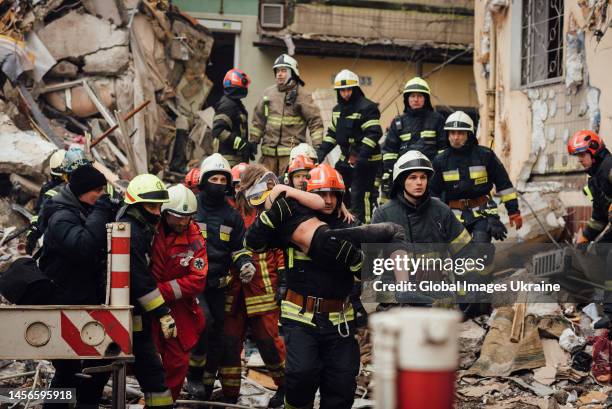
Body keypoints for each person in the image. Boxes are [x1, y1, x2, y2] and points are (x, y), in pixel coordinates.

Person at [243, 163, 403, 409]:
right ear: (310, 195)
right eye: (322, 194)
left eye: (333, 194)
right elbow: (254, 241)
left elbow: (369, 273)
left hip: (339, 321)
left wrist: (356, 263)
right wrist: (272, 214)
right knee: (300, 378)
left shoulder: (351, 224)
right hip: (300, 319)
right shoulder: (295, 220)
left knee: (341, 385)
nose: (328, 200)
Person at [39, 164, 115, 408]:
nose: (102, 195)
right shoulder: (62, 216)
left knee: (97, 364)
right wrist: (101, 211)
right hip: (63, 301)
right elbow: (84, 247)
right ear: (82, 191)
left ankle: (86, 404)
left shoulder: (81, 210)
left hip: (82, 299)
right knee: (68, 369)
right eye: (97, 190)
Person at [186, 153, 255, 400]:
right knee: (203, 324)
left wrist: (245, 263)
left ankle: (204, 386)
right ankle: (193, 376)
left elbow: (238, 248)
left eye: (222, 178)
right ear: (203, 181)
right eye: (213, 178)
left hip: (218, 286)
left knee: (217, 335)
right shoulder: (191, 207)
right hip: (193, 284)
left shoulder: (232, 215)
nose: (218, 183)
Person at [220, 164, 287, 406]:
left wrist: (283, 279)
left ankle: (286, 389)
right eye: (237, 185)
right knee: (229, 342)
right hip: (233, 286)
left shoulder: (268, 207)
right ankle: (229, 394)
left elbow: (280, 246)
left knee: (269, 341)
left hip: (262, 285)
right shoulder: (228, 210)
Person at [371, 150, 475, 305]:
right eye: (412, 177)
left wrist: (466, 290)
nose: (419, 182)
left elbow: (465, 253)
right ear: (401, 181)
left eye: (423, 177)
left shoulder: (441, 210)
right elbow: (370, 263)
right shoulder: (384, 215)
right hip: (397, 302)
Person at [117, 174, 176, 408]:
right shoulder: (130, 233)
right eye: (152, 206)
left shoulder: (139, 227)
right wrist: (163, 312)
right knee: (149, 368)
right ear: (136, 205)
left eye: (160, 206)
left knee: (149, 367)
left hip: (133, 311)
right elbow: (140, 279)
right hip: (124, 310)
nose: (157, 212)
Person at [150, 184, 208, 401]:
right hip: (144, 305)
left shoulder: (194, 239)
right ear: (164, 213)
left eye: (188, 217)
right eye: (177, 217)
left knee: (177, 362)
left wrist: (158, 291)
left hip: (178, 309)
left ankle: (166, 403)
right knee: (144, 358)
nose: (183, 222)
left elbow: (198, 280)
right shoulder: (149, 231)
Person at [430, 111, 522, 245]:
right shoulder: (440, 161)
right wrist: (435, 219)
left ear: (469, 134)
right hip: (453, 216)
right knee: (460, 256)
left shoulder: (485, 155)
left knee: (481, 250)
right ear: (447, 135)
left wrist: (513, 211)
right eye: (452, 133)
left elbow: (504, 184)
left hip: (483, 213)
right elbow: (432, 193)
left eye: (460, 133)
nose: (456, 137)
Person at [317, 69, 382, 223]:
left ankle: (365, 230)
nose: (345, 93)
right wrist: (320, 154)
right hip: (346, 159)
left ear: (356, 89)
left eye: (348, 90)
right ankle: (342, 225)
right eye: (342, 90)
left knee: (361, 196)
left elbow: (373, 133)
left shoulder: (368, 107)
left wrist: (361, 157)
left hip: (368, 160)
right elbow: (333, 135)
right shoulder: (337, 111)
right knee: (338, 190)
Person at [250, 54, 324, 175]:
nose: (279, 74)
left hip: (291, 157)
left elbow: (315, 122)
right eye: (277, 71)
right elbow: (258, 120)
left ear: (293, 72)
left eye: (284, 71)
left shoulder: (302, 95)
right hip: (268, 157)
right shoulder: (268, 93)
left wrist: (318, 148)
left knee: (288, 189)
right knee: (264, 188)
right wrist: (253, 141)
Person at [381, 77, 446, 197]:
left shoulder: (437, 120)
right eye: (412, 96)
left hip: (431, 176)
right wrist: (389, 173)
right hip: (405, 175)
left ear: (426, 99)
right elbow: (390, 151)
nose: (416, 99)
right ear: (407, 99)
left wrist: (440, 173)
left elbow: (443, 150)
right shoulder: (398, 122)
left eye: (420, 96)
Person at [26, 147, 92, 255]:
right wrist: (32, 234)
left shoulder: (54, 192)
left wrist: (32, 236)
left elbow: (40, 217)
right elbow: (39, 215)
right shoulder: (50, 191)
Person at [212, 69, 256, 166]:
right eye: (244, 84)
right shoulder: (228, 105)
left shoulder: (235, 103)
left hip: (235, 159)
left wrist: (247, 146)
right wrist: (241, 144)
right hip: (227, 161)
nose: (246, 88)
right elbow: (218, 130)